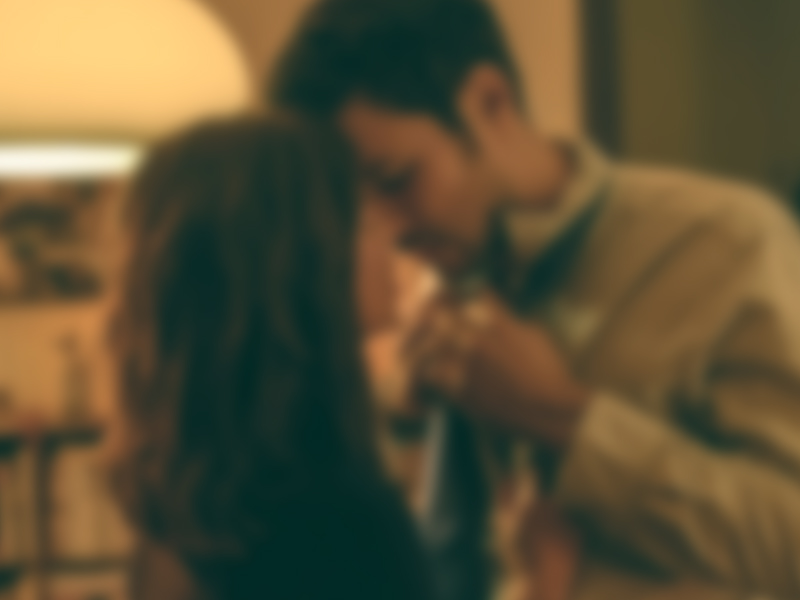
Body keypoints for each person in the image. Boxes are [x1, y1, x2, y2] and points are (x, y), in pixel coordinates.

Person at [270, 1, 800, 599]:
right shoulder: (441, 307)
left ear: (490, 103)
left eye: (396, 180)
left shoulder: (729, 245)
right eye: (358, 205)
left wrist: (567, 421)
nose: (389, 233)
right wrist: (405, 425)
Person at [109, 114, 433, 600]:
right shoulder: (343, 522)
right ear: (303, 261)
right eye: (363, 221)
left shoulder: (190, 516)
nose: (391, 238)